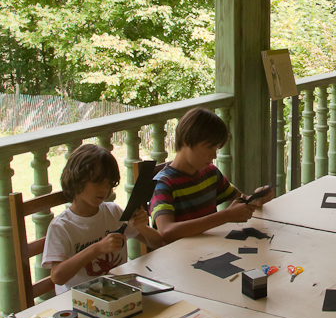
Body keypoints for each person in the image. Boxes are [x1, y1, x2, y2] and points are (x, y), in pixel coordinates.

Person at [43, 144, 162, 294]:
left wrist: (141, 227)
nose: (104, 190)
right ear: (77, 179)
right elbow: (58, 277)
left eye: (109, 184)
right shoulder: (62, 226)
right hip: (78, 301)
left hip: (116, 293)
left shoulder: (112, 212)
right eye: (97, 182)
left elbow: (157, 243)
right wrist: (97, 248)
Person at [149, 106, 274, 243]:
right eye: (209, 147)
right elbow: (166, 232)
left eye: (216, 148)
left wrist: (255, 199)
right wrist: (225, 216)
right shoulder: (164, 184)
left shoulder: (210, 173)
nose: (214, 155)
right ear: (186, 141)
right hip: (177, 258)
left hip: (209, 250)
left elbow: (240, 199)